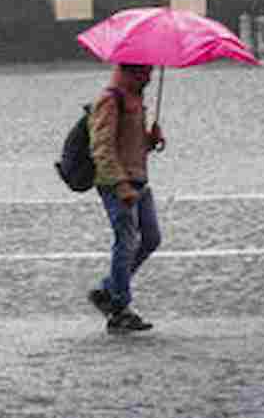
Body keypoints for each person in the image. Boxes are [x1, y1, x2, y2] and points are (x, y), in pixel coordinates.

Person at [86, 62, 166, 334]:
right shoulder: (110, 99)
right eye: (146, 72)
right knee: (127, 241)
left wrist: (149, 140)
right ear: (132, 72)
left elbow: (128, 143)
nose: (150, 76)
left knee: (151, 237)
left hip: (138, 180)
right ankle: (119, 309)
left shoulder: (135, 100)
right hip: (118, 183)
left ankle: (109, 289)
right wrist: (120, 184)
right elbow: (102, 148)